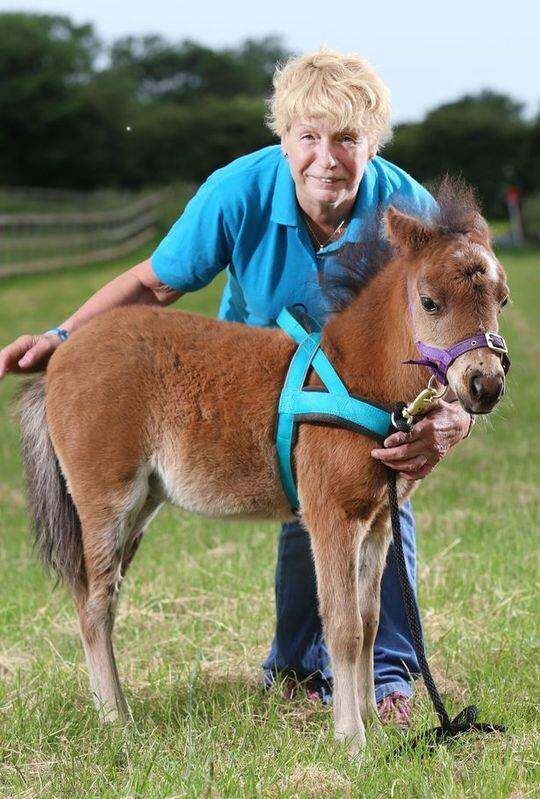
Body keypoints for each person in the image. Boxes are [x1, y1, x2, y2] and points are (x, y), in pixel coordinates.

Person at [0, 47, 472, 725]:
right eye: (308, 137)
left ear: (373, 143)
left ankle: (386, 673)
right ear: (283, 140)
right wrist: (63, 336)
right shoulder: (239, 190)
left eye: (347, 139)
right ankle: (296, 662)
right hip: (257, 375)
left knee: (377, 498)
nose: (326, 159)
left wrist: (450, 418)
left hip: (368, 388)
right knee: (301, 505)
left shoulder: (409, 212)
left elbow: (457, 324)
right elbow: (152, 283)